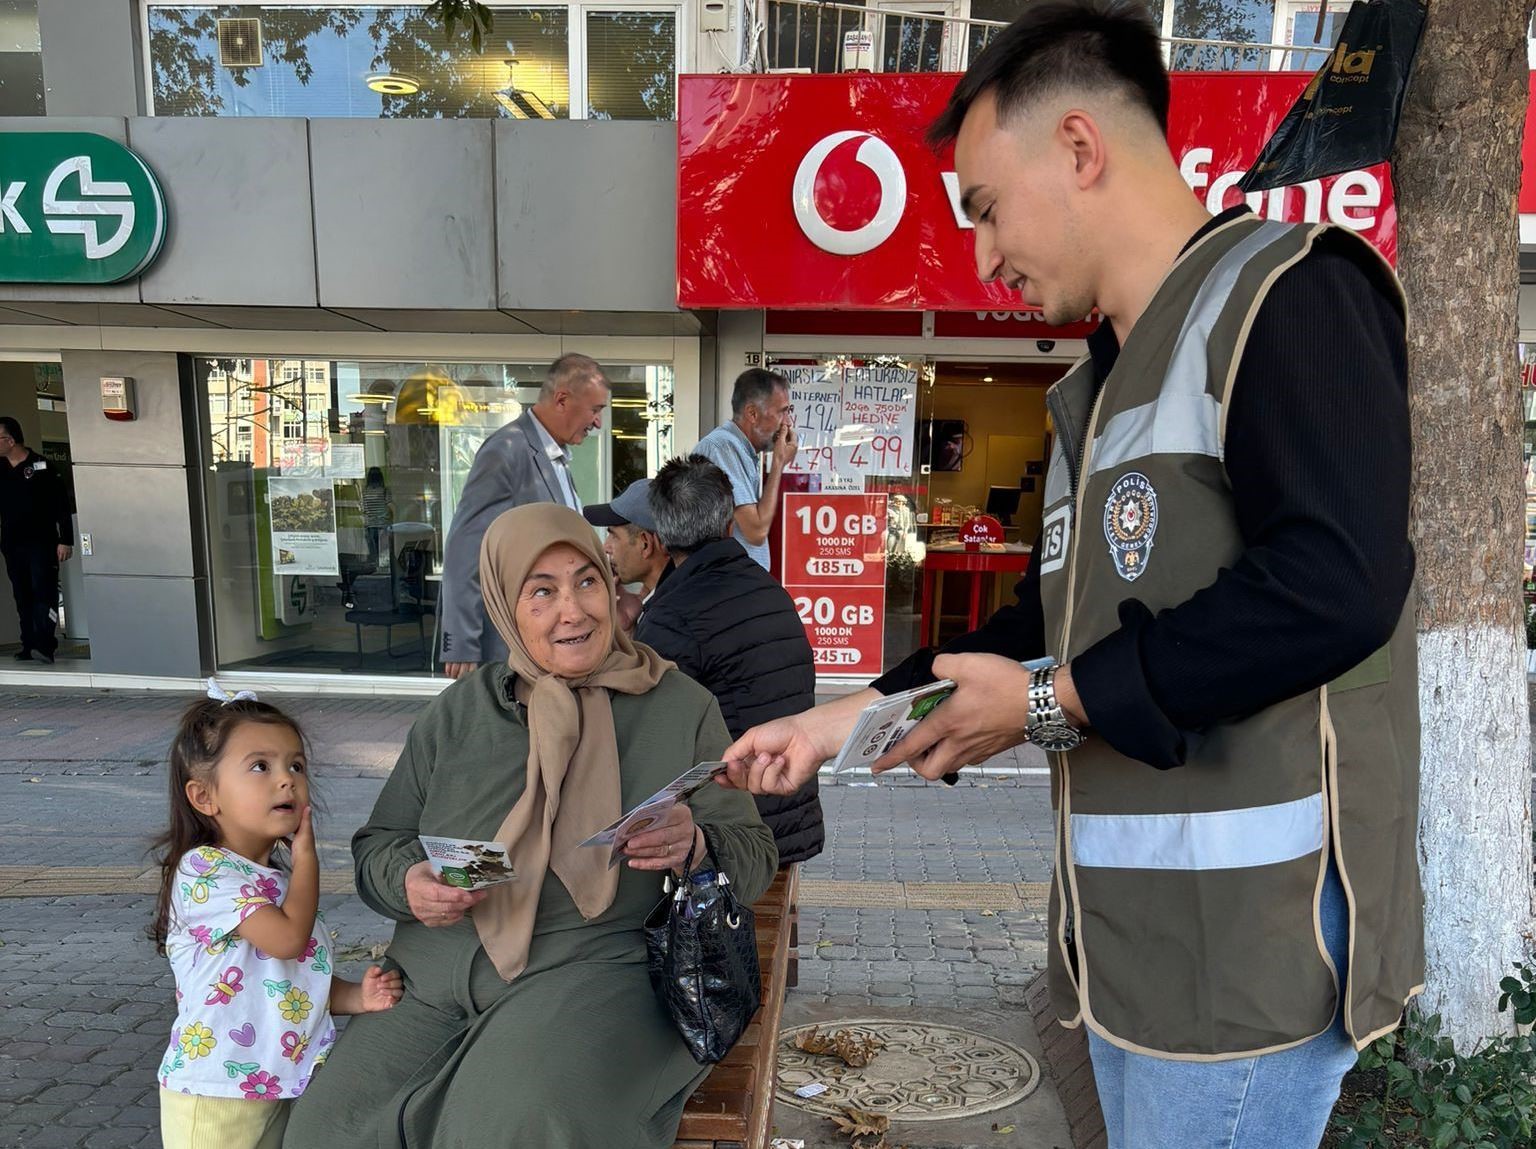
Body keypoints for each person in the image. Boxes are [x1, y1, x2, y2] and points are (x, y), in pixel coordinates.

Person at [721, 3, 1421, 1147]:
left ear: (1082, 149)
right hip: (1127, 955)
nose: (983, 254)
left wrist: (1052, 701)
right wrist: (845, 716)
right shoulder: (1097, 388)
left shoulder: (1285, 294)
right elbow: (1047, 613)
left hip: (1254, 961)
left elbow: (1335, 585)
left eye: (986, 208)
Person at [284, 504, 777, 1149]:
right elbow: (379, 845)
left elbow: (754, 856)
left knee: (505, 1127)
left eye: (588, 581)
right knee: (325, 1131)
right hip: (431, 978)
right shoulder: (461, 711)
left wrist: (698, 845)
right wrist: (410, 882)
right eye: (541, 592)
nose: (572, 611)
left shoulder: (679, 707)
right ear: (504, 609)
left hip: (591, 969)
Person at [150, 687, 403, 1149]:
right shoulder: (204, 870)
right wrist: (308, 858)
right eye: (260, 766)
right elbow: (287, 941)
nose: (286, 779)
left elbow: (289, 978)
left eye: (296, 765)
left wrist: (355, 997)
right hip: (215, 1092)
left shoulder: (275, 883)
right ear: (205, 797)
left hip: (271, 1085)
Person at [638, 455, 823, 866]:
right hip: (790, 811)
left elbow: (652, 736)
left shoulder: (673, 616)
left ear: (662, 539)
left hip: (739, 831)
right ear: (728, 525)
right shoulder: (770, 589)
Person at [438, 355, 610, 678]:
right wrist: (461, 642)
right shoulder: (506, 451)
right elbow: (466, 548)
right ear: (562, 399)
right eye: (595, 409)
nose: (598, 422)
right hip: (511, 650)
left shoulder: (555, 457)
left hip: (547, 643)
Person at [691, 368, 797, 570]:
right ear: (752, 413)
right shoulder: (723, 447)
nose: (787, 423)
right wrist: (778, 464)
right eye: (781, 412)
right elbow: (755, 532)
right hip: (726, 585)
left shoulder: (739, 449)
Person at [0, 416, 73, 664]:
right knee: (23, 595)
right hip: (13, 544)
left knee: (44, 592)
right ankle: (28, 644)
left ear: (10, 440)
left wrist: (66, 539)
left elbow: (61, 506)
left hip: (42, 543)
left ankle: (45, 645)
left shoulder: (41, 466)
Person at [583, 478, 673, 631]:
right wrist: (629, 627)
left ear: (645, 544)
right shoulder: (662, 604)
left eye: (614, 535)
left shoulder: (668, 618)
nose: (606, 547)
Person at [361, 467, 392, 566]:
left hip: (370, 524)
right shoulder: (385, 490)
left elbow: (363, 508)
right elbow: (390, 506)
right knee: (384, 549)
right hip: (383, 524)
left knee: (373, 550)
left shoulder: (365, 491)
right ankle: (384, 566)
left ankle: (374, 566)